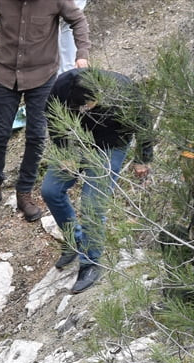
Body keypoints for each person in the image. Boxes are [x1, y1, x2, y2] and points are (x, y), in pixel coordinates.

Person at [0, 0, 91, 221]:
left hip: (43, 75)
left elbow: (78, 19)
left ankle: (24, 191)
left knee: (36, 134)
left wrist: (82, 54)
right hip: (6, 74)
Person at [42, 68, 153, 294]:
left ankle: (91, 262)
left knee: (93, 202)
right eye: (80, 107)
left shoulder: (122, 89)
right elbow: (53, 120)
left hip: (112, 144)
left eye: (89, 105)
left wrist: (143, 158)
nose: (85, 110)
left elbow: (143, 121)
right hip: (77, 142)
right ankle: (74, 241)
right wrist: (65, 154)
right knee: (51, 190)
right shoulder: (62, 85)